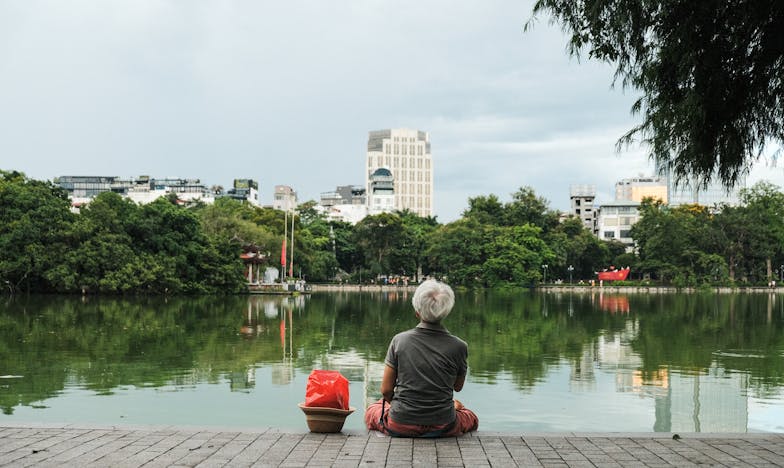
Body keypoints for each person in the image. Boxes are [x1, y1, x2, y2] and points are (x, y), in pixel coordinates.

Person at [365, 279, 479, 437]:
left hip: (400, 424)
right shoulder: (459, 346)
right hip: (443, 425)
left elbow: (386, 390)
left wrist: (402, 409)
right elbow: (457, 387)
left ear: (417, 311)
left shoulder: (399, 340)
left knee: (374, 408)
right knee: (470, 416)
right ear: (446, 311)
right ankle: (453, 407)